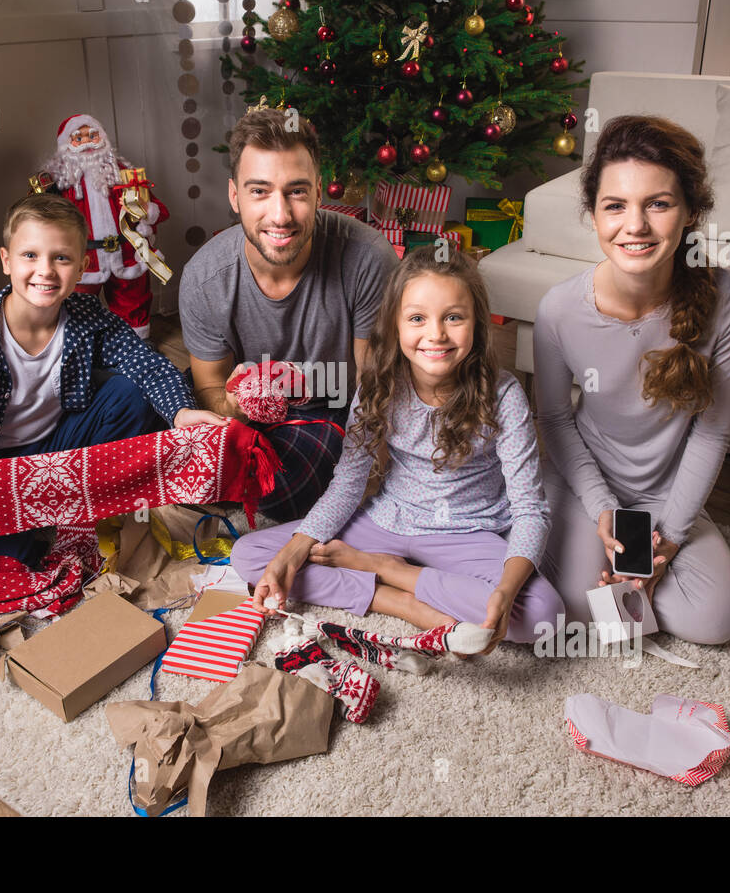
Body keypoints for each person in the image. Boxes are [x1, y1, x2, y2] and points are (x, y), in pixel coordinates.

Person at [230, 246, 564, 654]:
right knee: (253, 554)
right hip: (388, 523)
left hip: (470, 533)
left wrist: (506, 590)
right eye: (417, 319)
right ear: (396, 325)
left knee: (545, 614)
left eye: (454, 317)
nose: (436, 334)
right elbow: (347, 486)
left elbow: (531, 509)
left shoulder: (504, 394)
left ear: (477, 325)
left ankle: (391, 574)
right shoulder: (379, 387)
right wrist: (291, 553)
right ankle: (401, 603)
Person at [532, 115, 730, 645]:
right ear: (593, 215)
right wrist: (601, 508)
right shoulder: (559, 309)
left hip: (666, 488)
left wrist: (669, 542)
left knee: (718, 622)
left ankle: (652, 554)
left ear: (690, 212)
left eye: (658, 204)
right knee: (574, 612)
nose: (634, 226)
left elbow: (712, 432)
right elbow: (553, 419)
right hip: (586, 481)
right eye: (616, 205)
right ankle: (605, 547)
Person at [0, 192, 226, 563]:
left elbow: (145, 363)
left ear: (82, 265)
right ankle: (43, 520)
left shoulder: (86, 315)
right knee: (9, 564)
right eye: (30, 255)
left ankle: (94, 505)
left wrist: (181, 411)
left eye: (61, 257)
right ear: (6, 261)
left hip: (62, 448)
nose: (46, 270)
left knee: (130, 391)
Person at [176, 108, 398, 523]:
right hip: (247, 414)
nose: (280, 216)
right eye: (259, 191)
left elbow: (376, 388)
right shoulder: (205, 278)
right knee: (167, 437)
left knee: (283, 490)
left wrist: (368, 472)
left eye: (296, 191)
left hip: (331, 410)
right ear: (234, 195)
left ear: (318, 190)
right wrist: (233, 405)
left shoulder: (367, 258)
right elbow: (208, 387)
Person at [40, 113, 169, 338]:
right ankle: (84, 350)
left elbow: (160, 210)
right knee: (77, 307)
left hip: (127, 253)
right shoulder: (59, 183)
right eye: (78, 139)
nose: (87, 142)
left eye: (92, 135)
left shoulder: (124, 174)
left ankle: (136, 345)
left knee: (133, 300)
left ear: (103, 138)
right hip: (83, 257)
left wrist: (144, 208)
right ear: (65, 145)